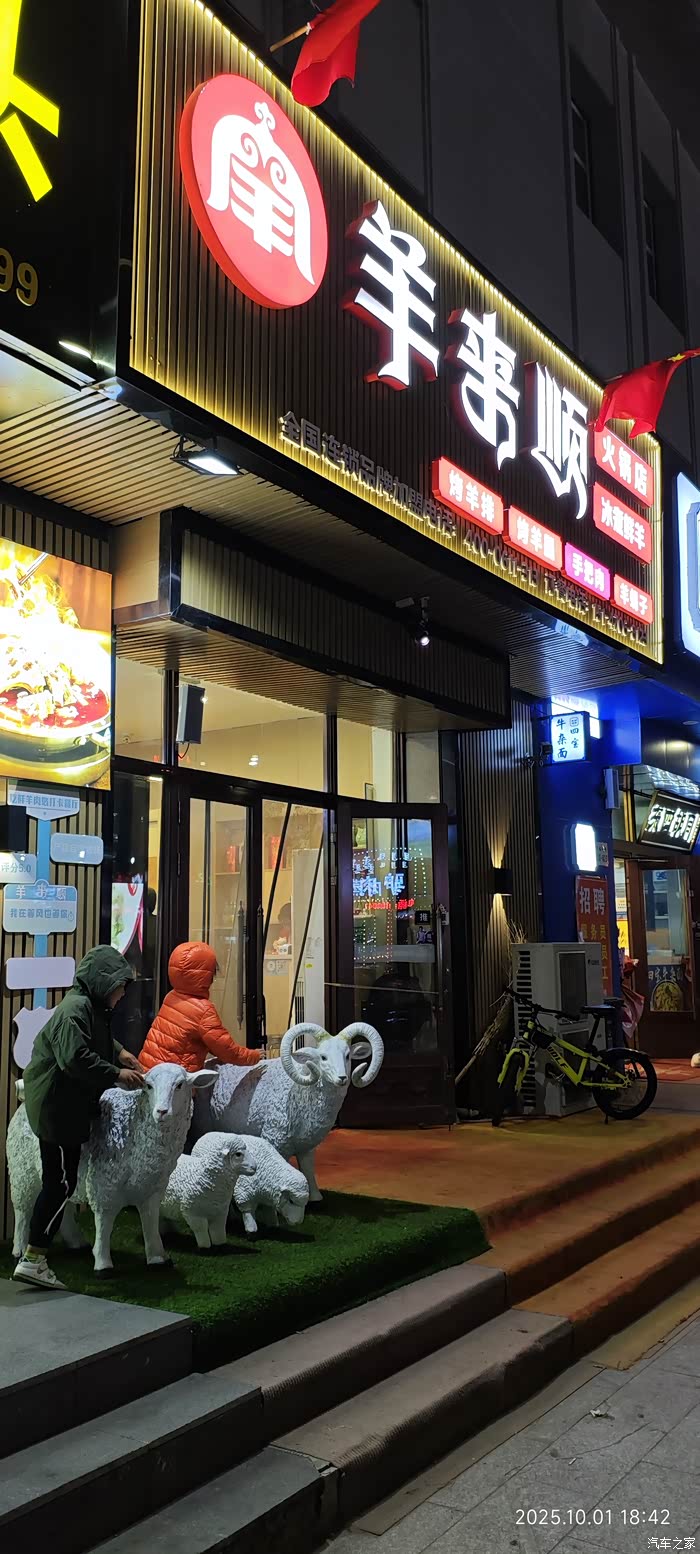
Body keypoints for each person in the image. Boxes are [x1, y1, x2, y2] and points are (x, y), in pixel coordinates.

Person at [14, 946, 144, 1292]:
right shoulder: (76, 1009)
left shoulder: (88, 1007)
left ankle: (34, 1254)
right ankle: (34, 1258)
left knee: (63, 1181)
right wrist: (117, 1073)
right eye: (119, 987)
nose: (121, 995)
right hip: (56, 1108)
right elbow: (75, 1057)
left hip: (64, 1105)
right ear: (103, 982)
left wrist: (119, 1052)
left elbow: (96, 1038)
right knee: (59, 1183)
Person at [139, 941, 261, 1073]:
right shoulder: (203, 1010)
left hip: (148, 1071)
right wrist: (254, 1056)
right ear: (205, 975)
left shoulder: (171, 996)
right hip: (173, 1080)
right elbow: (225, 1049)